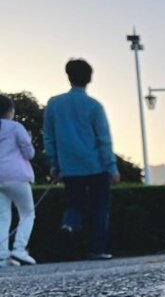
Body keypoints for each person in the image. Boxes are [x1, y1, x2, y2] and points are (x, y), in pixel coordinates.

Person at [43, 59, 120, 260]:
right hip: (96, 166)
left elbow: (49, 137)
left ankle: (68, 227)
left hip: (69, 167)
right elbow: (103, 139)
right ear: (89, 78)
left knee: (75, 206)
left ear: (68, 76)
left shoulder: (54, 104)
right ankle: (97, 250)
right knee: (100, 208)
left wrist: (55, 165)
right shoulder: (94, 106)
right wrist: (112, 167)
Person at [0, 95, 36, 267]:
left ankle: (2, 255)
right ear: (10, 111)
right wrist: (29, 140)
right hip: (16, 176)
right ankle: (19, 249)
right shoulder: (16, 127)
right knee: (27, 213)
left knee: (2, 217)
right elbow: (29, 154)